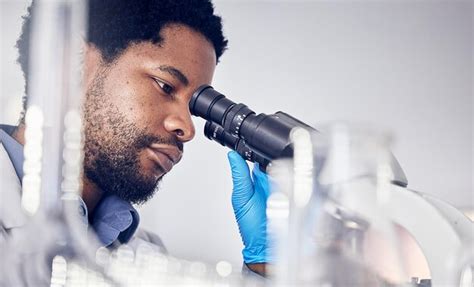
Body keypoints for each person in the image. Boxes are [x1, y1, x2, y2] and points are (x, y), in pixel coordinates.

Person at [0, 0, 269, 278]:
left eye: (193, 108)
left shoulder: (146, 254)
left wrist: (263, 266)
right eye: (165, 86)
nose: (188, 130)